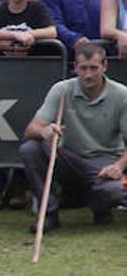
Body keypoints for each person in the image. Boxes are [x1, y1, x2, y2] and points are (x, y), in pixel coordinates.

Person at [20, 41, 127, 229]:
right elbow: (31, 129)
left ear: (104, 66)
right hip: (68, 158)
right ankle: (49, 213)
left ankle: (98, 206)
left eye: (93, 68)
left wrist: (118, 166)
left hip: (104, 161)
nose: (88, 75)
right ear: (75, 67)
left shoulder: (122, 95)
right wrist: (44, 131)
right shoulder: (61, 90)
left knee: (115, 192)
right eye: (83, 68)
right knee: (31, 148)